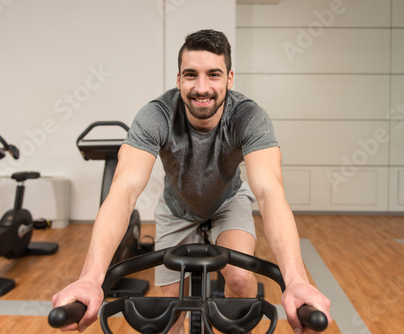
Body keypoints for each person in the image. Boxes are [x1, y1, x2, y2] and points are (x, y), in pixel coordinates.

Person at [52, 29, 331, 334]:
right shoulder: (155, 116)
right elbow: (124, 191)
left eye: (213, 74)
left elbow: (269, 193)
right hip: (176, 208)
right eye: (191, 75)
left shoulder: (249, 117)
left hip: (228, 202)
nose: (202, 87)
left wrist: (296, 279)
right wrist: (91, 277)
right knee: (171, 310)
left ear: (230, 78)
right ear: (178, 79)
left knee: (238, 277)